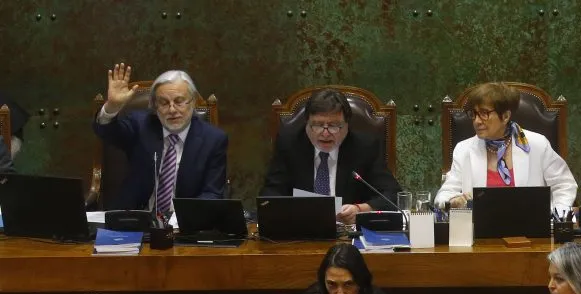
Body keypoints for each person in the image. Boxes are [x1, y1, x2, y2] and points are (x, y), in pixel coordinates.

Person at [92, 63, 228, 211]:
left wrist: (183, 218)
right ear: (155, 107)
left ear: (193, 102)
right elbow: (107, 132)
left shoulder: (213, 139)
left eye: (179, 101)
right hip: (135, 219)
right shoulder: (141, 125)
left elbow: (212, 193)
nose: (172, 110)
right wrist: (112, 107)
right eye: (163, 103)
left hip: (183, 226)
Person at [261, 88, 402, 225]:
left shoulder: (364, 147)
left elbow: (393, 195)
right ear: (306, 124)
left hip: (347, 235)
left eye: (334, 125)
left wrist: (360, 209)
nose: (325, 133)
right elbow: (270, 193)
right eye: (317, 125)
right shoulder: (289, 144)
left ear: (347, 125)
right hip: (300, 231)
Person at [435, 82, 577, 213]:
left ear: (505, 116)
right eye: (474, 114)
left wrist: (554, 216)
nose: (477, 121)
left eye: (484, 113)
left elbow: (565, 185)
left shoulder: (537, 144)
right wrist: (452, 202)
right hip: (479, 235)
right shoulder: (463, 149)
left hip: (531, 234)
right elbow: (444, 195)